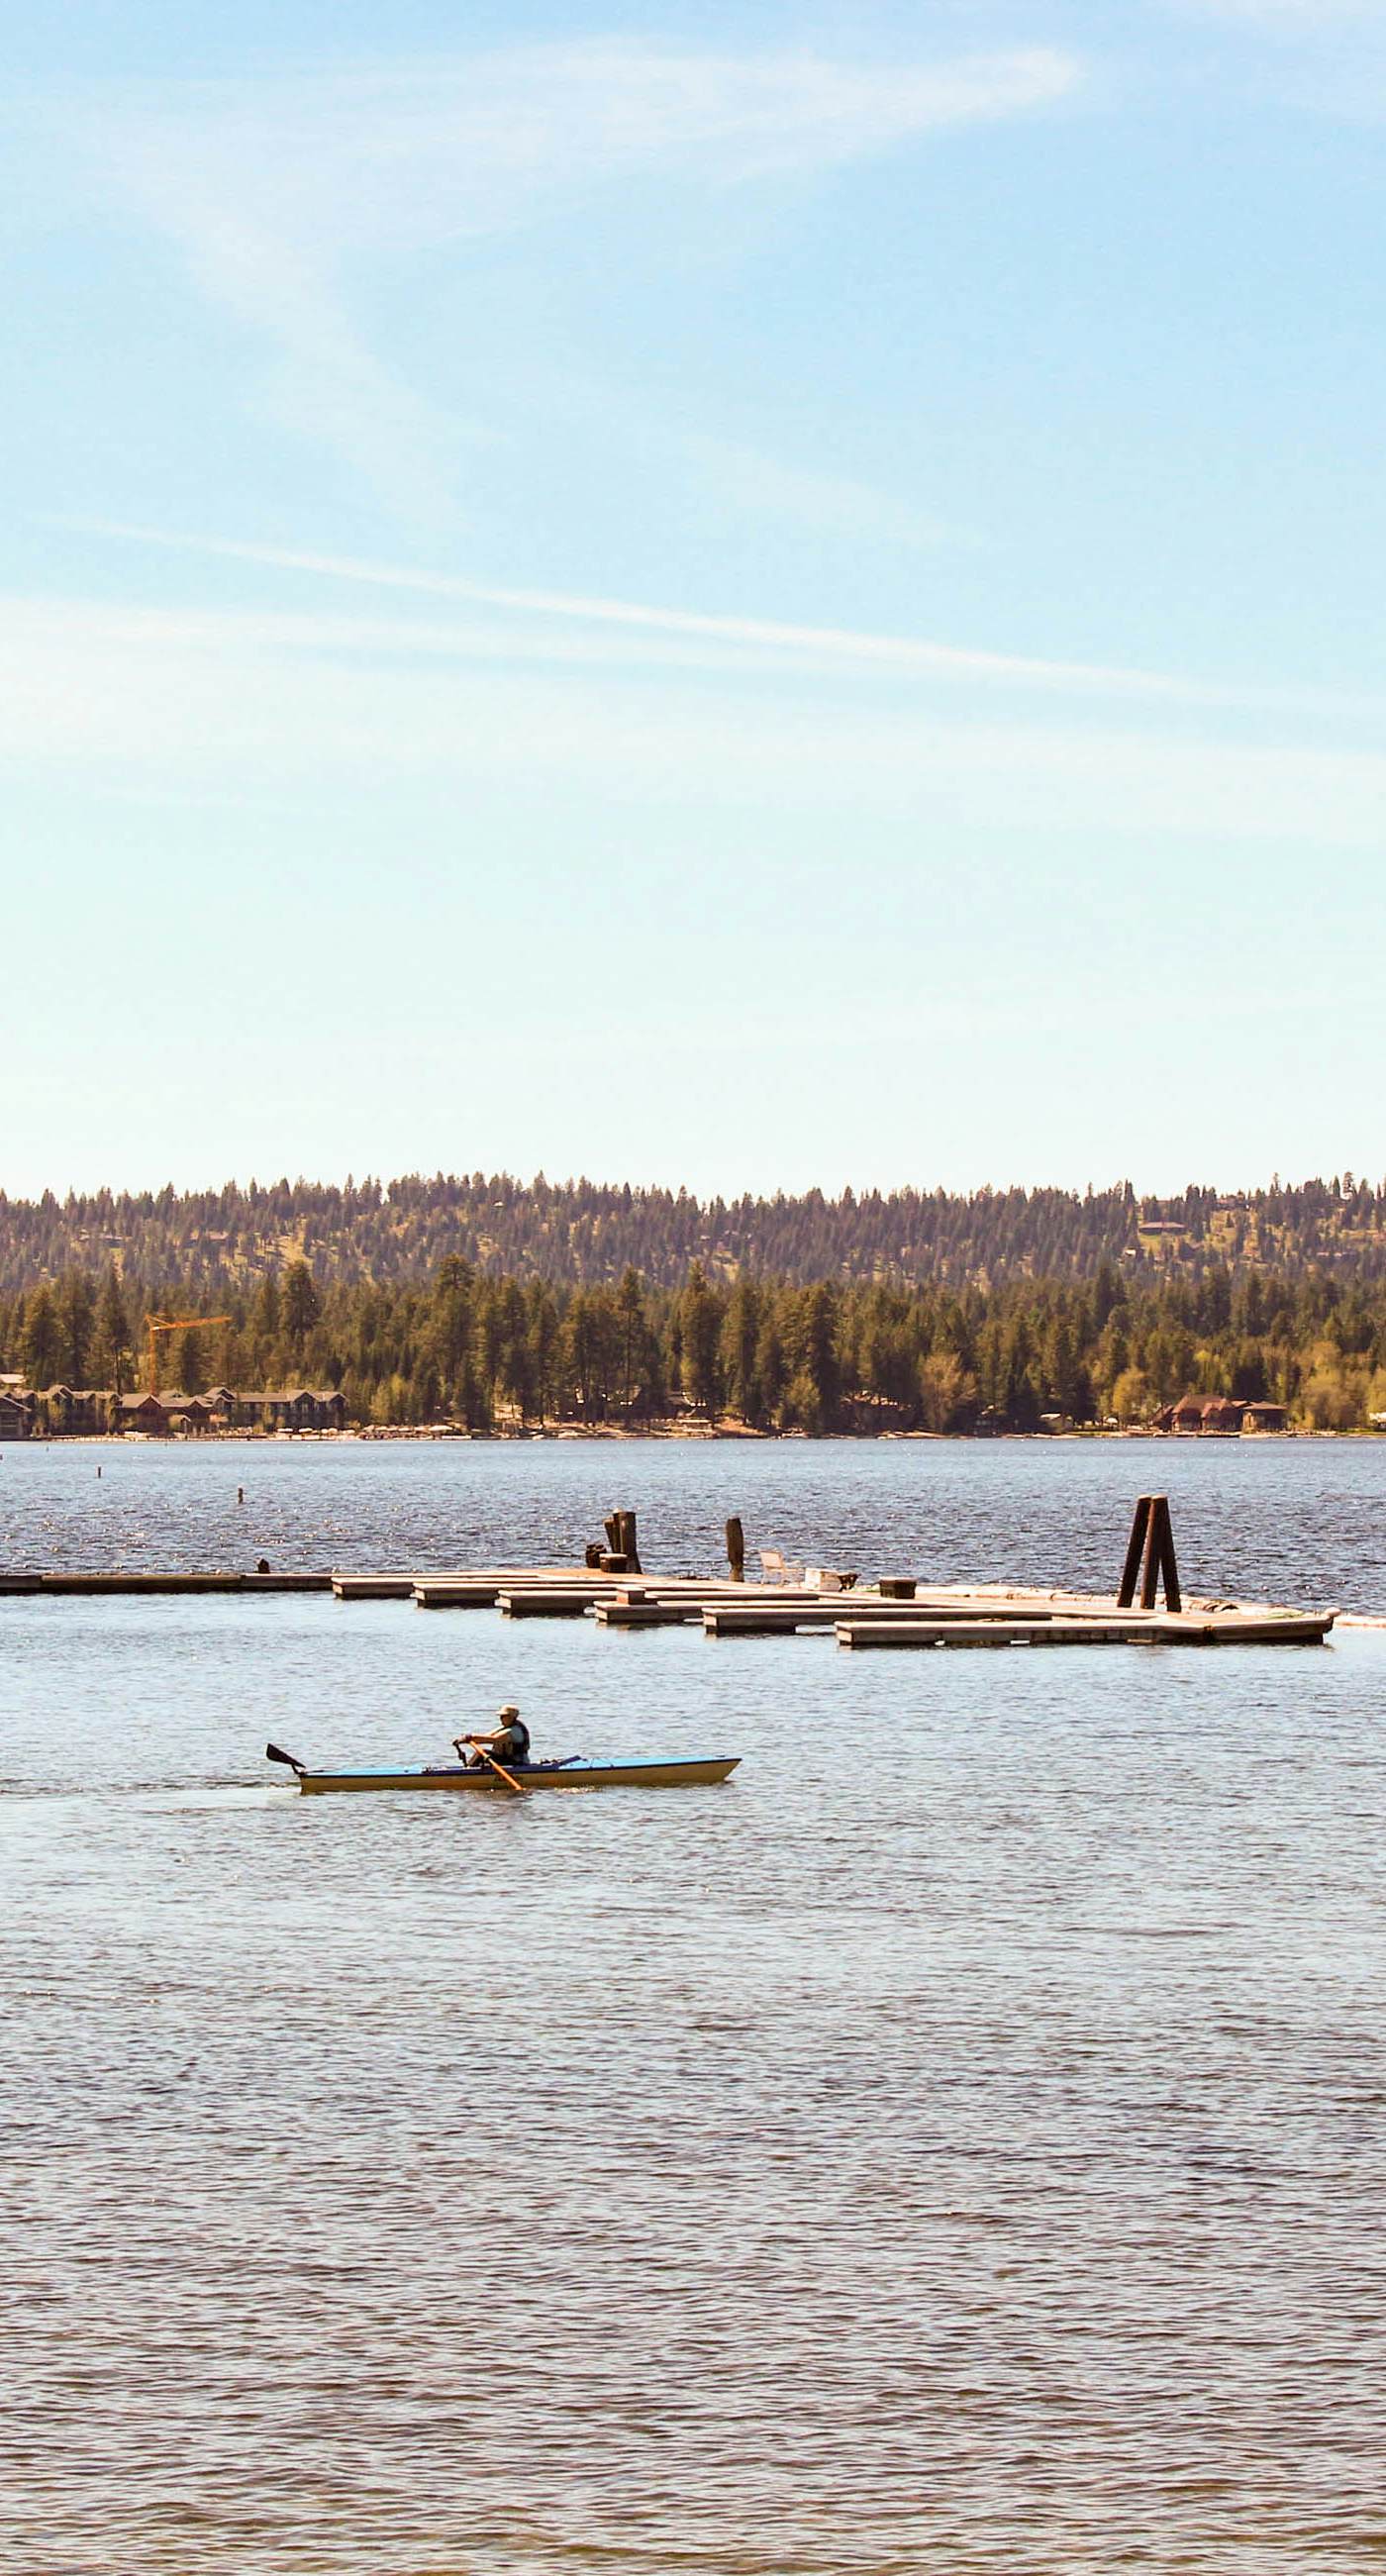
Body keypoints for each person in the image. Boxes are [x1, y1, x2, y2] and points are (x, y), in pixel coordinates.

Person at [456, 1704, 532, 1770]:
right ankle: (469, 1770)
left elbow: (494, 1739)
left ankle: (468, 1772)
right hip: (506, 1760)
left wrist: (470, 1737)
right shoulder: (504, 1727)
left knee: (483, 1753)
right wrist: (464, 1740)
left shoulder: (514, 1731)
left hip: (518, 1764)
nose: (500, 1718)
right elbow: (485, 1737)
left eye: (503, 1716)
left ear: (511, 1717)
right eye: (501, 1716)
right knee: (483, 1755)